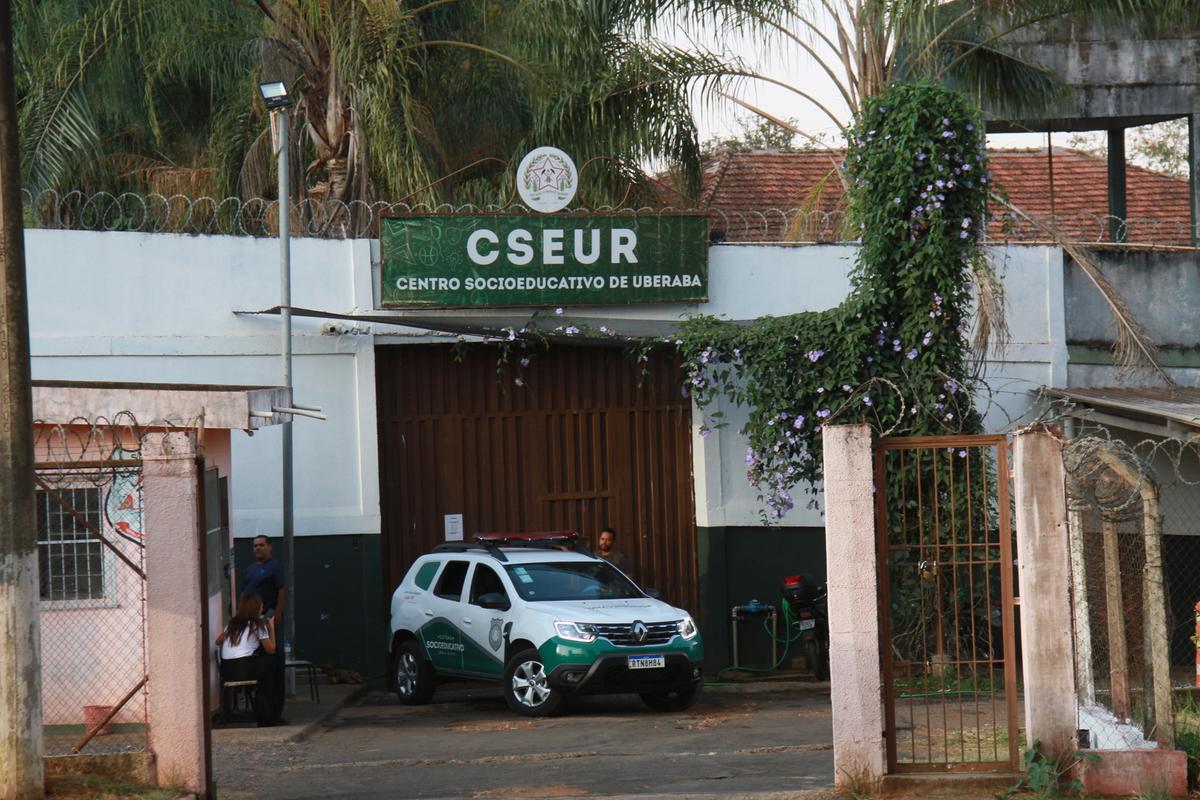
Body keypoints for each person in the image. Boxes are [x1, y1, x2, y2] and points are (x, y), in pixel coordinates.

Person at [242, 535, 287, 722]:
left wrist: (277, 614)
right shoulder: (251, 569)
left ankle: (274, 710)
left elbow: (282, 590)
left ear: (269, 547)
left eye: (261, 545)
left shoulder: (274, 567)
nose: (257, 549)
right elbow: (245, 593)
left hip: (267, 617)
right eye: (255, 546)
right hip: (250, 620)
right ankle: (259, 708)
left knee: (273, 660)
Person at [216, 593, 279, 726]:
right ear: (255, 608)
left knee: (263, 665)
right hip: (246, 669)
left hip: (227, 671)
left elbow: (218, 641)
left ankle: (254, 700)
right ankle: (268, 712)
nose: (262, 609)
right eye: (261, 606)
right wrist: (271, 628)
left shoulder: (232, 624)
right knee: (274, 661)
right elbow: (271, 649)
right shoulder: (257, 625)